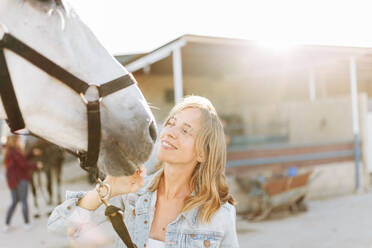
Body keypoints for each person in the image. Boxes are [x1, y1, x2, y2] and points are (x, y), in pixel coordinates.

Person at [48, 96, 239, 247]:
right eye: (171, 123)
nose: (170, 132)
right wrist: (109, 187)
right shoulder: (133, 194)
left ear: (203, 153)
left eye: (185, 130)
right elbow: (57, 230)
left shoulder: (219, 213)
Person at [2, 135, 42, 232]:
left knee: (14, 202)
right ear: (14, 142)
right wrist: (36, 165)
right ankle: (27, 223)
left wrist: (32, 153)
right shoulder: (14, 152)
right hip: (20, 180)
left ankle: (6, 225)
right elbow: (23, 164)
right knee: (23, 201)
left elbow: (22, 159)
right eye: (19, 140)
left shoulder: (9, 152)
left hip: (12, 182)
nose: (20, 142)